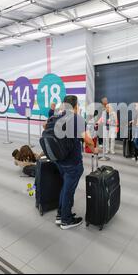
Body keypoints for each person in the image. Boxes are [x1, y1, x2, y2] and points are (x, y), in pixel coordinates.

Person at [53, 95, 98, 230]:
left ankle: (60, 215)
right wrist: (94, 149)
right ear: (76, 106)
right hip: (72, 162)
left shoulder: (58, 118)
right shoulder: (77, 119)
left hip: (59, 160)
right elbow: (88, 140)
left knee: (65, 188)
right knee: (68, 190)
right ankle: (66, 220)